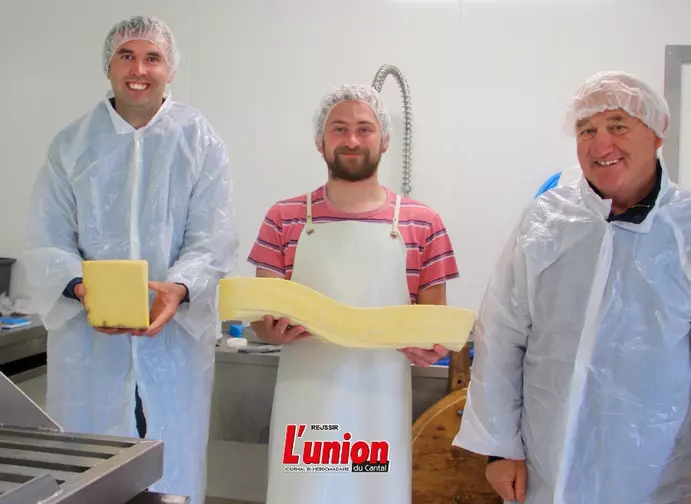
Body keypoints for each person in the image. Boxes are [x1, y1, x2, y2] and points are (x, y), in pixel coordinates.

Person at [22, 15, 238, 502]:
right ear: (108, 67)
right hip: (90, 350)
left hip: (174, 348)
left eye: (152, 57)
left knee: (171, 477)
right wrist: (84, 290)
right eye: (127, 55)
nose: (139, 68)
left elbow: (214, 238)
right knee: (88, 476)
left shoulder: (199, 142)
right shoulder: (71, 146)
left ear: (171, 69)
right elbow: (46, 240)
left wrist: (178, 289)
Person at [452, 70, 691, 504]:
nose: (601, 146)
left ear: (657, 133)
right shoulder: (546, 221)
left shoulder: (685, 231)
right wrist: (499, 448)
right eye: (587, 130)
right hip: (545, 468)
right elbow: (502, 334)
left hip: (656, 472)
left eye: (618, 125)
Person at [247, 84, 459, 504]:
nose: (352, 139)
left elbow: (436, 322)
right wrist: (272, 330)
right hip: (306, 400)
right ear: (319, 141)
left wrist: (432, 348)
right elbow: (260, 318)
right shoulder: (283, 218)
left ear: (384, 140)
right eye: (338, 128)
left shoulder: (423, 223)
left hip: (377, 405)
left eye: (365, 128)